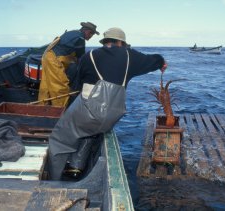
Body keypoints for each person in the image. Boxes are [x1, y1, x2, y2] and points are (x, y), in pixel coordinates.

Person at [48, 27, 167, 180]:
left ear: (105, 42)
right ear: (121, 43)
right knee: (91, 130)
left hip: (89, 111)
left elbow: (77, 86)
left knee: (59, 138)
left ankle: (54, 179)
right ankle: (75, 167)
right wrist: (161, 62)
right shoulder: (130, 57)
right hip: (112, 115)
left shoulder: (88, 56)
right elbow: (153, 60)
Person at [38, 22, 99, 106]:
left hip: (46, 57)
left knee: (46, 85)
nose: (90, 37)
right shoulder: (80, 39)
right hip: (54, 61)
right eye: (91, 34)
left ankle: (42, 107)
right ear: (87, 31)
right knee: (60, 86)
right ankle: (60, 110)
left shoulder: (72, 33)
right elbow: (80, 58)